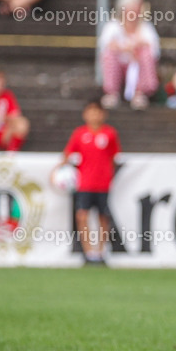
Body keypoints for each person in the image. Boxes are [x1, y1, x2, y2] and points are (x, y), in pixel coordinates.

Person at [59, 100, 121, 265]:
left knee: (102, 216)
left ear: (103, 114)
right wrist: (57, 171)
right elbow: (67, 154)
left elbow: (114, 157)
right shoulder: (80, 134)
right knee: (82, 216)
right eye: (91, 111)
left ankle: (100, 252)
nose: (94, 115)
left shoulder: (109, 133)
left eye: (97, 112)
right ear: (85, 114)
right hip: (84, 183)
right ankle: (88, 252)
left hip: (103, 183)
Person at [98, 0, 160, 110]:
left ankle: (140, 93)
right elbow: (105, 45)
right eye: (132, 7)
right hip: (118, 64)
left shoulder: (145, 26)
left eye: (137, 7)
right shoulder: (113, 25)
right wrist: (126, 48)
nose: (135, 11)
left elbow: (154, 49)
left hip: (137, 65)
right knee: (109, 54)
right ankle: (112, 93)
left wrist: (137, 49)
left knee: (146, 54)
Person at [0, 66, 30, 151]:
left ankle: (11, 154)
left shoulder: (7, 96)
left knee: (22, 123)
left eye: (1, 83)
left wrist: (6, 120)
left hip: (3, 134)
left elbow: (16, 116)